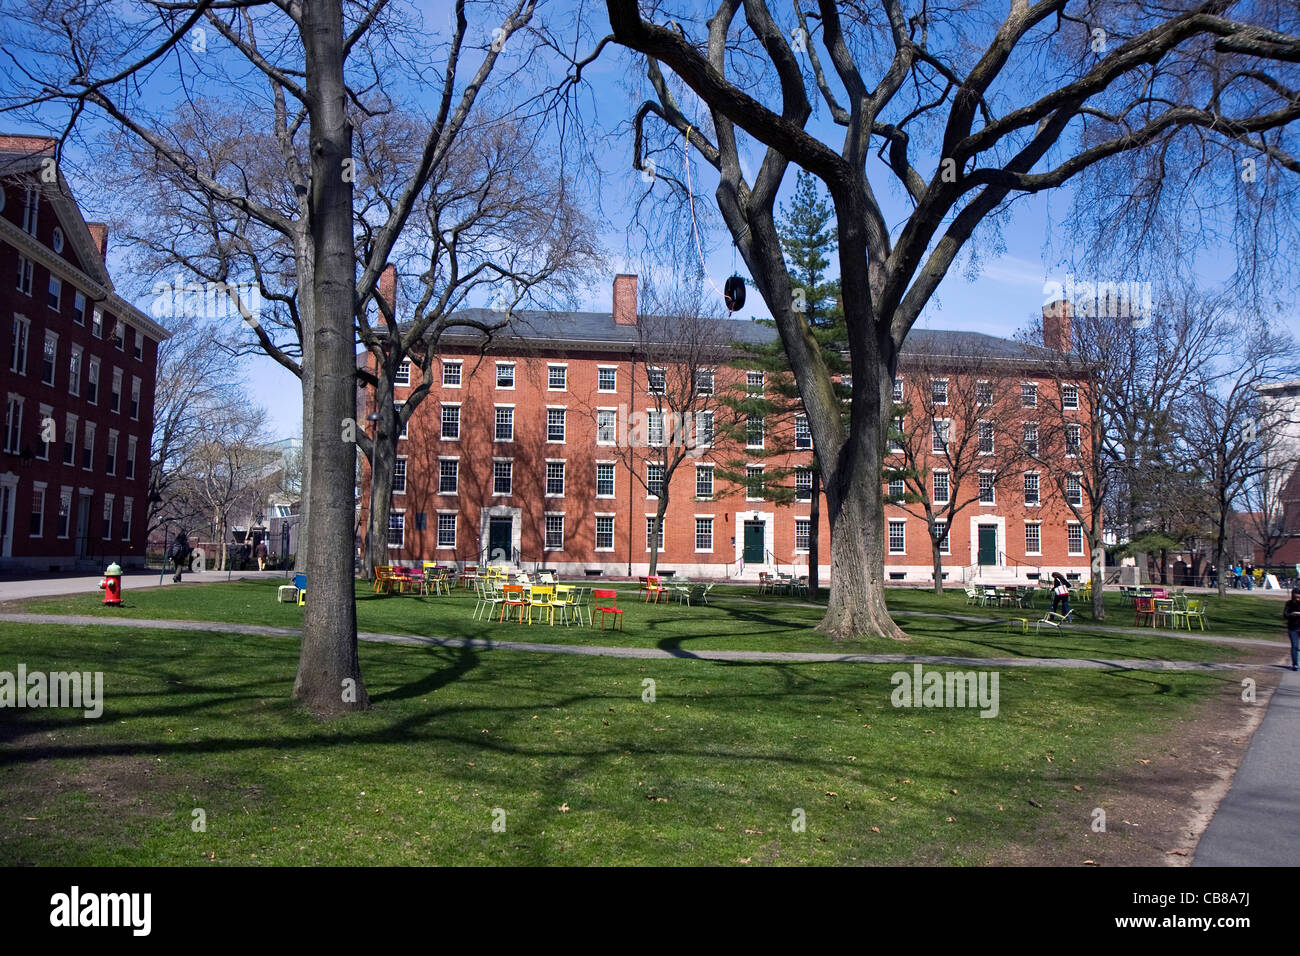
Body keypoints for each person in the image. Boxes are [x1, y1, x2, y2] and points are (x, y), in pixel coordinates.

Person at [1284, 588, 1300, 671]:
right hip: (1293, 627)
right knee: (1294, 646)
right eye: (1295, 597)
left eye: (1298, 597)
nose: (1297, 599)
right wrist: (1291, 614)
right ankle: (1295, 664)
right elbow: (1285, 615)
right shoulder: (1289, 604)